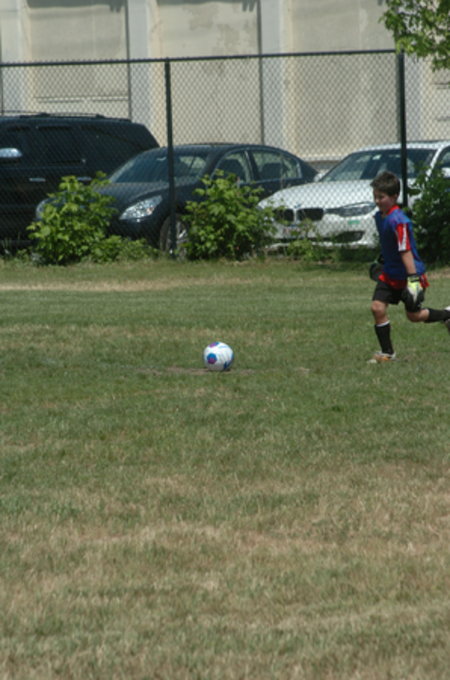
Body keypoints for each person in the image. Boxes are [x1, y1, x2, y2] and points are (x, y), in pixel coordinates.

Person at [369, 171, 450, 363]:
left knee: (414, 316)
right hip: (390, 274)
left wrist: (413, 280)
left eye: (381, 197)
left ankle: (447, 315)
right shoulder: (380, 217)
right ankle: (387, 353)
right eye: (375, 197)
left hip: (408, 275)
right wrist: (382, 260)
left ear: (394, 197)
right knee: (377, 308)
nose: (377, 201)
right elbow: (389, 245)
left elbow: (405, 251)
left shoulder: (399, 221)